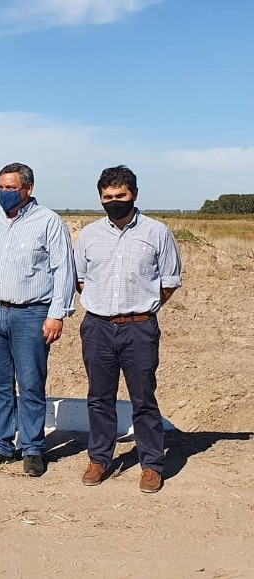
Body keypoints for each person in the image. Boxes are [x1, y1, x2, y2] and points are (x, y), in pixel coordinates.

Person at [0, 162, 76, 477]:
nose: (4, 194)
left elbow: (64, 271)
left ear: (29, 188)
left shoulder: (49, 223)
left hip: (31, 314)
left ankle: (33, 448)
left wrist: (57, 314)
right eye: (0, 187)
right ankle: (0, 445)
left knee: (30, 383)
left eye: (10, 188)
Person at [75, 165, 182, 494]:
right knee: (99, 398)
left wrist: (142, 308)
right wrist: (104, 307)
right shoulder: (89, 236)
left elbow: (169, 282)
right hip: (97, 327)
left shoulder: (157, 233)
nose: (114, 201)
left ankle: (151, 464)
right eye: (107, 197)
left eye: (120, 195)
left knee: (144, 399)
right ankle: (100, 459)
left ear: (133, 194)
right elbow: (81, 281)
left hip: (139, 328)